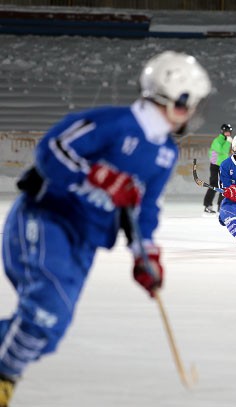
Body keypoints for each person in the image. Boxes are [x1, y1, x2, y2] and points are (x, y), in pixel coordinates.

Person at [0, 50, 211, 407]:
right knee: (45, 309)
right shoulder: (113, 123)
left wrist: (145, 254)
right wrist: (98, 176)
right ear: (175, 99)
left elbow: (143, 211)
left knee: (51, 328)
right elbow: (52, 151)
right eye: (188, 104)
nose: (190, 113)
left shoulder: (165, 154)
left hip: (84, 240)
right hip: (46, 218)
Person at [203, 123, 233, 213]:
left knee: (224, 186)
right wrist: (228, 142)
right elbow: (222, 151)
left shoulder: (226, 140)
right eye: (226, 132)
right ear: (222, 131)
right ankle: (207, 205)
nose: (228, 133)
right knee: (214, 185)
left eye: (229, 132)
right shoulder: (217, 141)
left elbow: (226, 153)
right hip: (215, 165)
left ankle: (221, 206)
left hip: (224, 166)